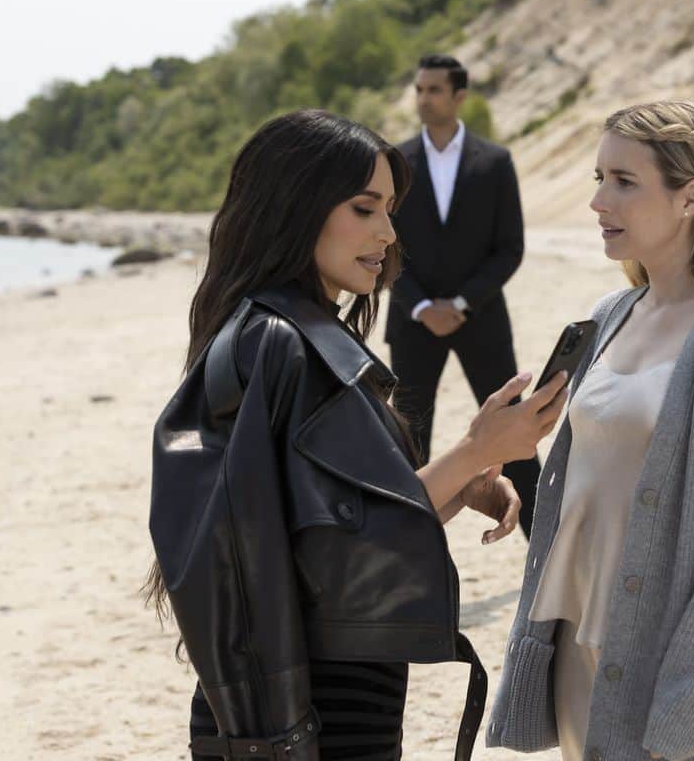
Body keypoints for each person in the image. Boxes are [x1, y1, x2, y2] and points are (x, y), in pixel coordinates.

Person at [144, 109, 569, 761]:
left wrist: (464, 481)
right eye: (365, 209)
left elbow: (338, 527)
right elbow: (339, 549)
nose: (388, 233)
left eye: (390, 210)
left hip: (314, 694)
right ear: (296, 207)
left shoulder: (280, 331)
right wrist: (475, 450)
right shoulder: (286, 344)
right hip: (314, 705)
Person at [486, 101, 694, 761]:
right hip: (579, 647)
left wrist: (686, 709)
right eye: (597, 177)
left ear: (690, 196)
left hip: (669, 665)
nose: (597, 201)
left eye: (623, 181)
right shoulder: (611, 312)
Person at [387, 54, 542, 538]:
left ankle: (546, 552)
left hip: (481, 320)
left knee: (515, 437)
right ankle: (404, 550)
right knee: (406, 442)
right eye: (419, 89)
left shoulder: (495, 162)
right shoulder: (394, 162)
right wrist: (419, 305)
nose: (424, 98)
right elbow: (381, 243)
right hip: (412, 321)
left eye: (434, 90)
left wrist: (458, 305)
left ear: (459, 97)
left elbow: (509, 247)